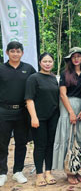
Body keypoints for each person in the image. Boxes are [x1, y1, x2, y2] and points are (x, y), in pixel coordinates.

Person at [0, 41, 36, 187]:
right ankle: (2, 172)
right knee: (2, 143)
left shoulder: (28, 69)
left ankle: (18, 171)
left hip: (23, 111)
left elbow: (36, 87)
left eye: (18, 51)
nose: (15, 53)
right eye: (12, 51)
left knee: (21, 142)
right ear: (7, 53)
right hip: (3, 111)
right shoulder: (1, 68)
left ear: (22, 53)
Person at [52, 47, 81, 185]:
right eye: (74, 56)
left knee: (78, 138)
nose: (77, 58)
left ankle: (76, 169)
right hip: (68, 106)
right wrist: (71, 112)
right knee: (67, 136)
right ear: (70, 59)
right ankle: (69, 172)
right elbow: (62, 94)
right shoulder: (65, 74)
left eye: (79, 56)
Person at [25, 52, 59, 187]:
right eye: (45, 61)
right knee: (40, 146)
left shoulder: (53, 78)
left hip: (53, 117)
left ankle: (48, 172)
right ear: (40, 62)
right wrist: (34, 117)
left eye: (50, 61)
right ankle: (39, 174)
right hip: (39, 118)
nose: (47, 64)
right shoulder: (33, 78)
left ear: (53, 63)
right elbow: (29, 99)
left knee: (50, 145)